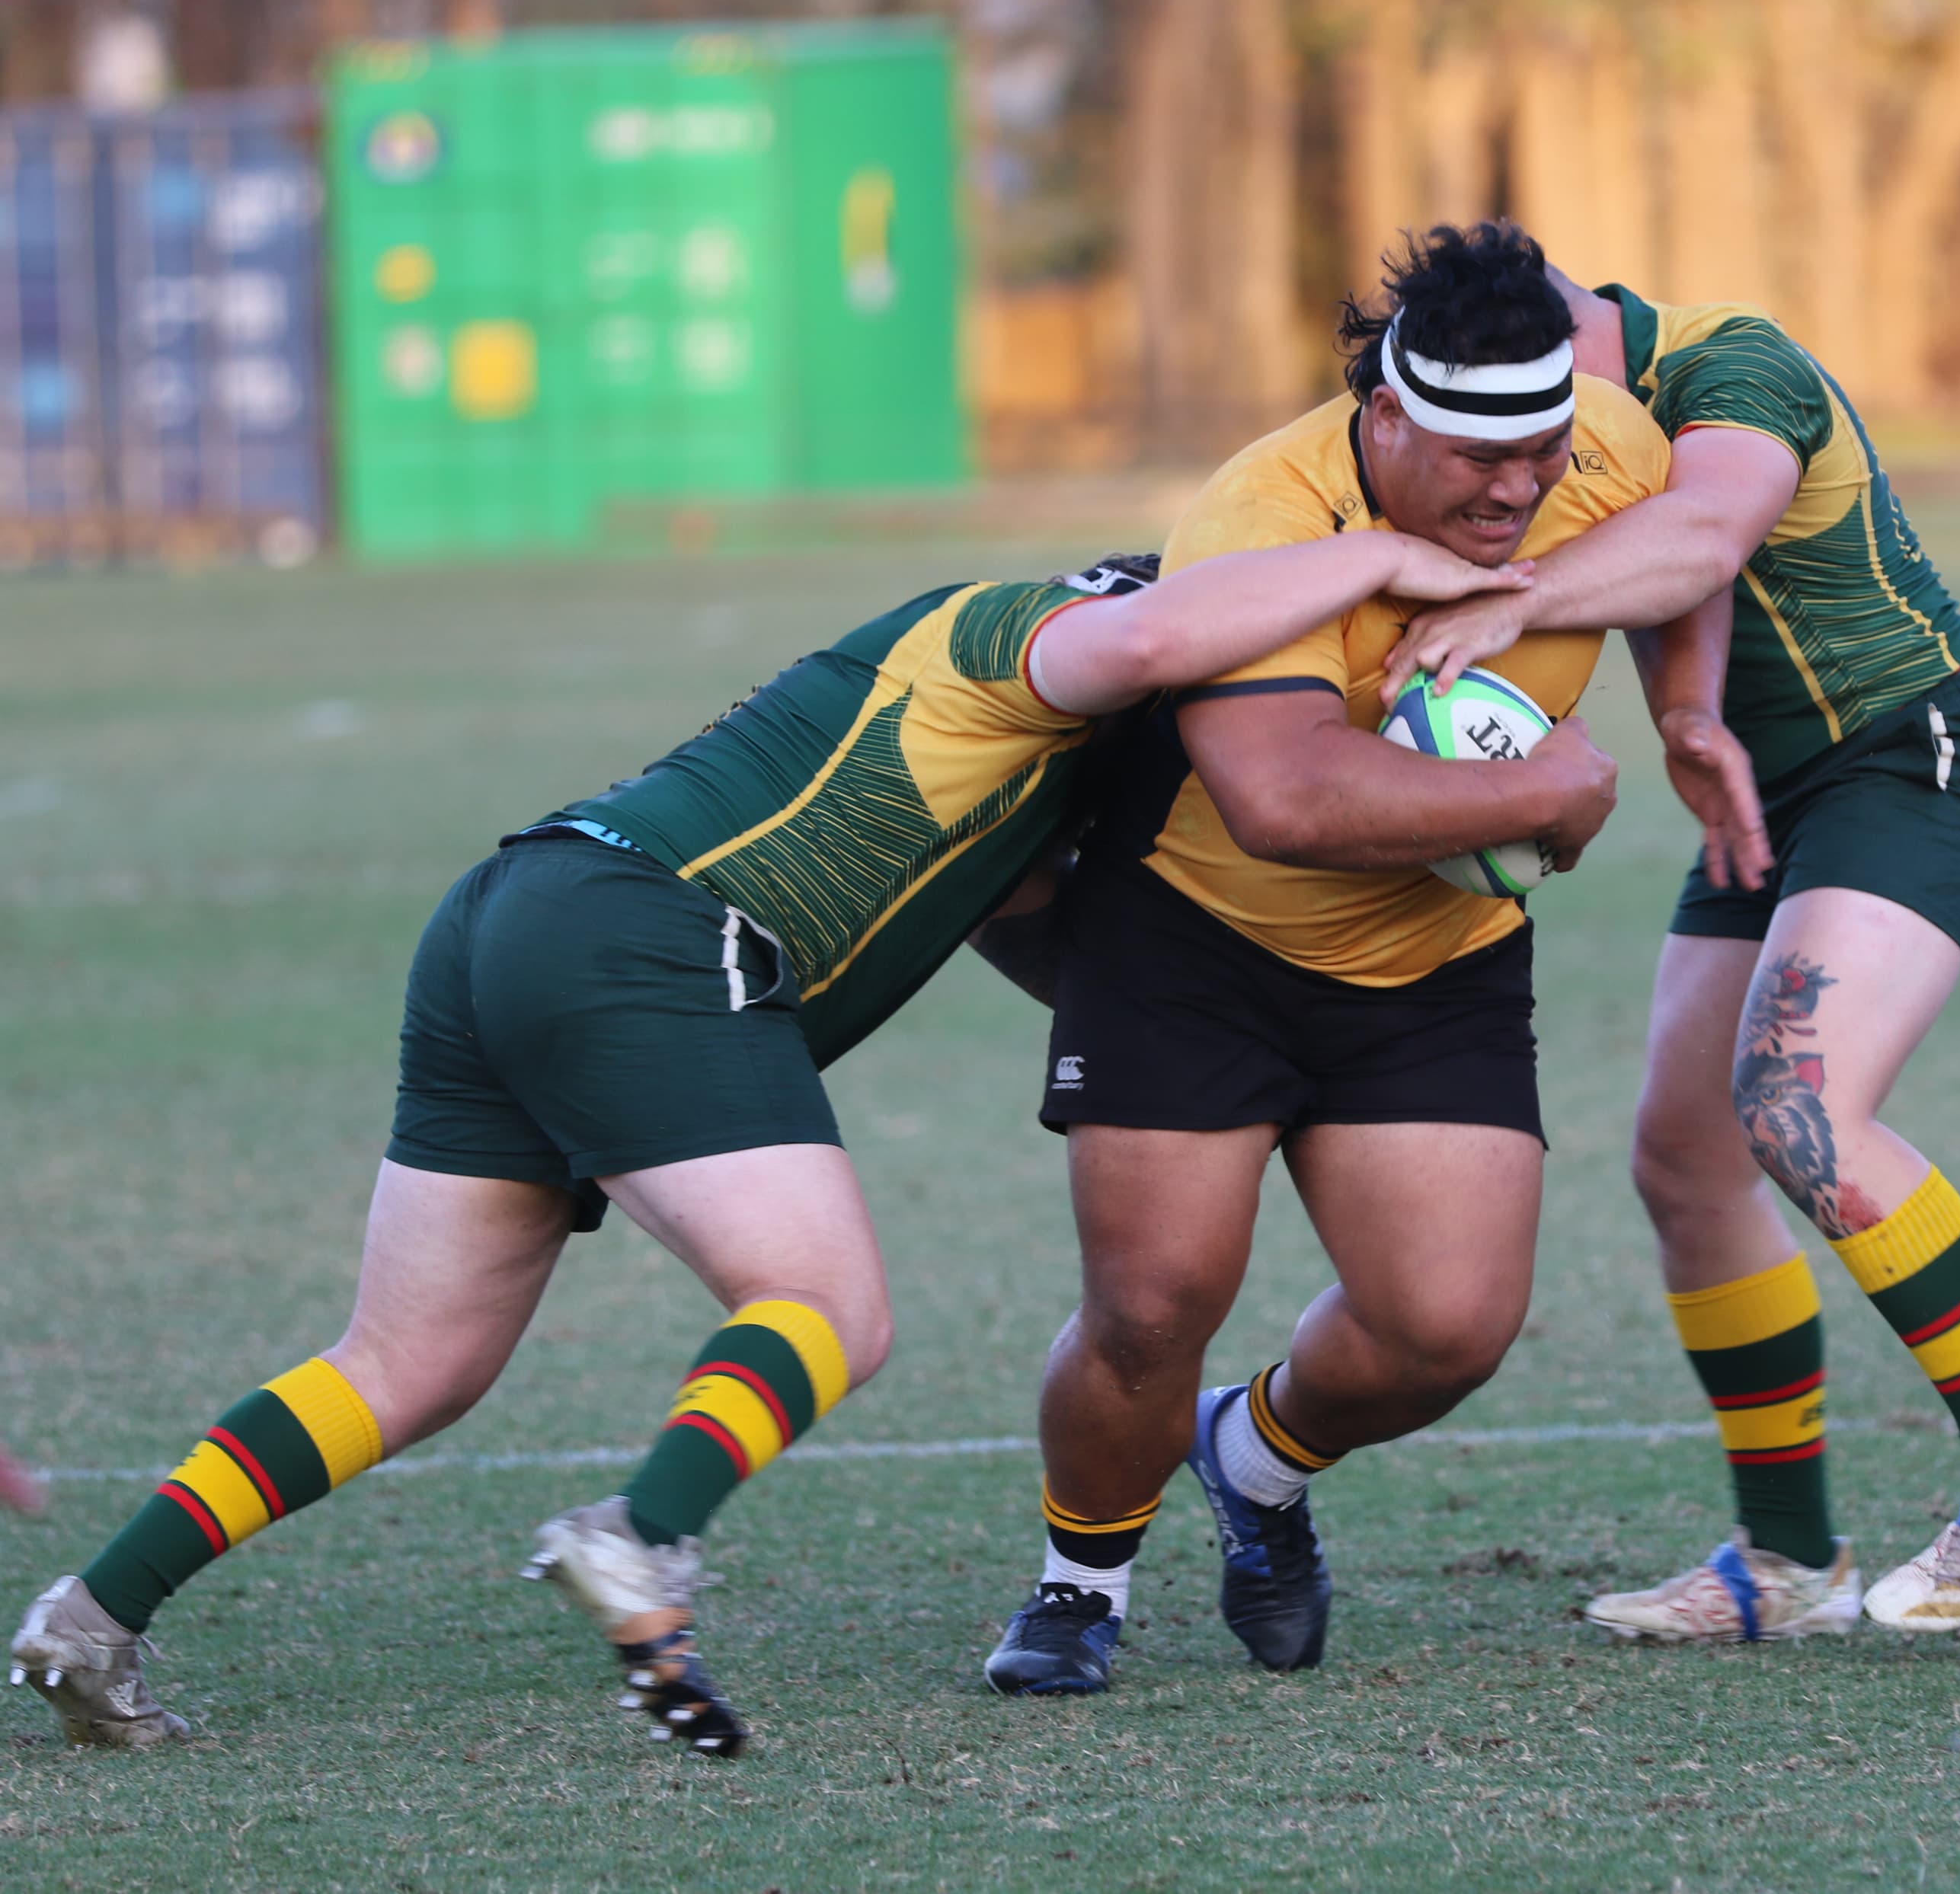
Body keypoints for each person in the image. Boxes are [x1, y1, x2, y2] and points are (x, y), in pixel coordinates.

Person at [8, 536, 1529, 1751]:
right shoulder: (1046, 626)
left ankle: (95, 1609)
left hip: (513, 915)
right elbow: (1140, 638)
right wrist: (1386, 554)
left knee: (403, 1360)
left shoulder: (1032, 768)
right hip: (653, 937)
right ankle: (643, 1533)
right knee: (828, 1308)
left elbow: (1033, 922)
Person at [986, 222, 1751, 1695]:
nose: (1521, 487)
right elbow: (1284, 799)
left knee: (1443, 1330)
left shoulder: (1594, 440)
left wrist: (1683, 710)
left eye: (1541, 446)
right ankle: (1079, 1582)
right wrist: (1551, 794)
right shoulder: (1260, 513)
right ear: (1387, 417)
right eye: (1479, 461)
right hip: (1196, 937)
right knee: (1152, 1305)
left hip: (1435, 958)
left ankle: (1254, 1463)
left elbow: (1695, 548)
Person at [1381, 261, 1960, 1643]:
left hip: (1921, 754)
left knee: (1797, 1106)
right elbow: (1676, 595)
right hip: (1775, 799)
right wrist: (1688, 722)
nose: (1525, 457)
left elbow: (1704, 537)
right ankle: (1788, 1564)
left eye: (1537, 420)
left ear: (1572, 335)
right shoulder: (1588, 415)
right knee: (1684, 1156)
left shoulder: (1732, 363)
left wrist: (1510, 604)